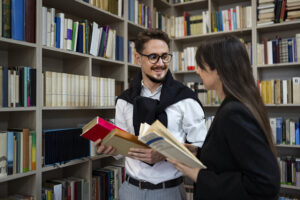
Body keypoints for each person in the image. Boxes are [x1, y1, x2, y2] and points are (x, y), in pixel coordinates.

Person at [94, 28, 207, 200]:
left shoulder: (185, 99)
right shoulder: (125, 100)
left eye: (165, 56)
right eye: (153, 57)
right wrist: (108, 148)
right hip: (130, 190)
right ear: (138, 58)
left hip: (169, 191)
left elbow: (201, 148)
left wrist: (165, 154)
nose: (161, 63)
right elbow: (121, 148)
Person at [168, 35, 280, 200]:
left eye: (201, 65)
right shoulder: (239, 103)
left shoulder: (234, 112)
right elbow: (231, 159)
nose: (197, 70)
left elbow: (265, 182)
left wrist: (198, 175)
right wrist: (198, 153)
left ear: (219, 69)